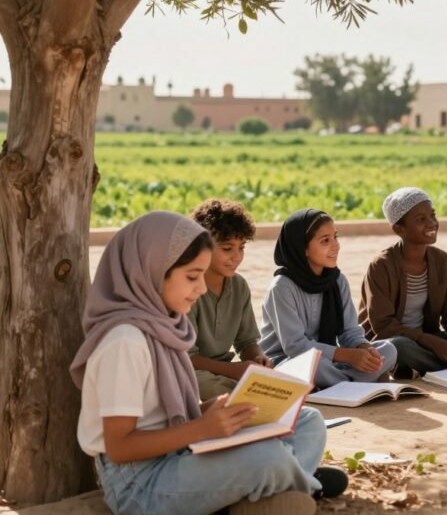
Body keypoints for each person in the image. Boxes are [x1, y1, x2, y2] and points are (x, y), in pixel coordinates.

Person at [70, 212, 346, 515]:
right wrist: (201, 429)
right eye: (192, 276)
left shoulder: (165, 326)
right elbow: (120, 447)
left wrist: (214, 411)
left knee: (307, 422)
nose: (202, 288)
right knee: (266, 457)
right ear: (151, 271)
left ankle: (274, 483)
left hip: (177, 452)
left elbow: (168, 414)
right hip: (141, 483)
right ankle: (290, 482)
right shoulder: (124, 342)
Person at [359, 187, 447, 378]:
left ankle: (425, 369)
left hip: (429, 339)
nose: (432, 223)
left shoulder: (441, 260)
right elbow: (384, 326)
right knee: (398, 346)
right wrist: (433, 343)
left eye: (432, 215)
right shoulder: (381, 265)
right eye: (420, 219)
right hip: (393, 341)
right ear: (399, 229)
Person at [259, 209, 397, 388]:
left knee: (388, 350)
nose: (336, 245)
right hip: (289, 361)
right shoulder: (282, 287)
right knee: (314, 367)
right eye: (325, 240)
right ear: (303, 248)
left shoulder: (338, 281)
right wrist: (348, 356)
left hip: (331, 359)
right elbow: (296, 347)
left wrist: (365, 351)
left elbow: (350, 332)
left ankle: (339, 384)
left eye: (335, 237)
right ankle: (357, 382)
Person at [187, 199, 273, 400]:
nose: (237, 257)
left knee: (272, 383)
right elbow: (186, 358)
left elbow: (246, 342)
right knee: (204, 385)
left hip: (225, 371)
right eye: (227, 248)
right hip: (190, 370)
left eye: (241, 247)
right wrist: (234, 371)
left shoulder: (239, 286)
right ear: (202, 246)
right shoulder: (186, 287)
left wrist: (258, 359)